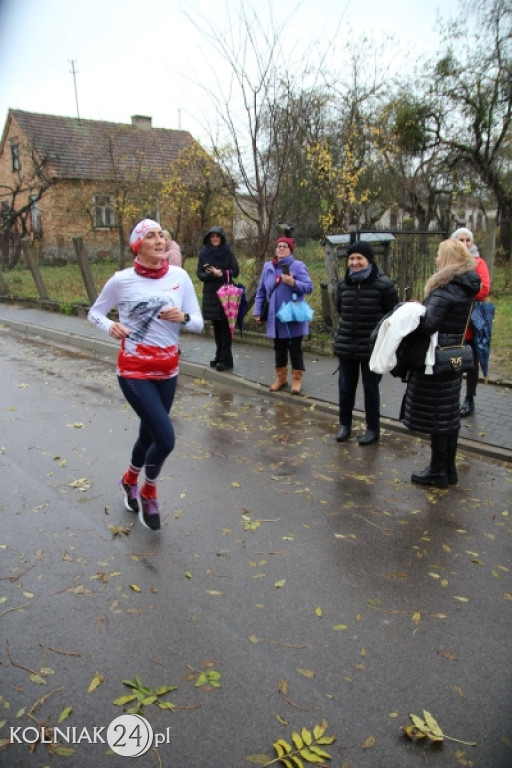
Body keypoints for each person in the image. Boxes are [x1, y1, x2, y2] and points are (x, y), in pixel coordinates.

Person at [87, 219, 204, 530]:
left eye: (162, 235)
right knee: (165, 438)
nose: (159, 240)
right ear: (137, 245)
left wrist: (185, 317)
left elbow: (199, 322)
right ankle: (148, 491)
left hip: (168, 371)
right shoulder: (121, 281)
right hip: (134, 370)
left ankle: (129, 480)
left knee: (148, 435)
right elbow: (94, 312)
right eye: (151, 236)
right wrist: (109, 325)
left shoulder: (179, 277)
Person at [401, 238, 481, 488]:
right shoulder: (465, 287)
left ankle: (437, 471)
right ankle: (448, 469)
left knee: (438, 417)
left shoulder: (445, 289)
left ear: (447, 259)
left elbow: (429, 325)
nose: (436, 259)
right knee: (448, 417)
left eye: (438, 254)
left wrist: (414, 310)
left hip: (435, 360)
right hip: (453, 358)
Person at [333, 241, 399, 445]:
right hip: (346, 345)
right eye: (351, 258)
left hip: (373, 348)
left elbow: (393, 315)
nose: (354, 262)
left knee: (371, 389)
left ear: (368, 260)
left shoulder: (384, 284)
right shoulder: (343, 285)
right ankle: (345, 424)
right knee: (345, 388)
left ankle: (372, 428)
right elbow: (340, 310)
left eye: (359, 258)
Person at [254, 236, 313, 394]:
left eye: (285, 246)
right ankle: (281, 378)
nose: (281, 248)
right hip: (275, 318)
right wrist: (258, 311)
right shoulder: (268, 267)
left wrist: (293, 283)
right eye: (278, 246)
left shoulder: (298, 266)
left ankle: (296, 379)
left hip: (293, 316)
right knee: (279, 348)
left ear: (290, 250)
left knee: (295, 348)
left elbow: (309, 287)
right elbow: (261, 292)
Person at [451, 227, 491, 417]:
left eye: (468, 240)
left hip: (472, 321)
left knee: (472, 362)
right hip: (453, 321)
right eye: (461, 239)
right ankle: (452, 396)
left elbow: (484, 290)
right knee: (453, 360)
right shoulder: (449, 262)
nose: (465, 243)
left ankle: (470, 398)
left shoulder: (479, 262)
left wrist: (458, 290)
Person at [197, 226, 239, 371]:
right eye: (212, 236)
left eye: (217, 236)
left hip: (226, 294)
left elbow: (236, 271)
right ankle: (219, 356)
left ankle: (227, 359)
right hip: (211, 295)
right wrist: (211, 275)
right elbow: (200, 274)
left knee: (225, 328)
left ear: (221, 238)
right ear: (209, 238)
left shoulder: (228, 252)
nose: (215, 239)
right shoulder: (203, 254)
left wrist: (222, 273)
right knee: (217, 327)